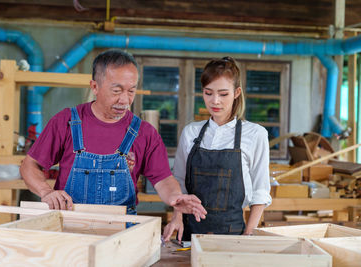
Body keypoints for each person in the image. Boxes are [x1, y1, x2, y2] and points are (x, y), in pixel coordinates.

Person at [20, 49, 207, 223]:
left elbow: (163, 179)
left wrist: (175, 197)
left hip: (121, 233)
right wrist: (46, 192)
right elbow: (30, 165)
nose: (125, 100)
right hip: (71, 228)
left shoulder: (145, 133)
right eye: (116, 91)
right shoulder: (66, 122)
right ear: (95, 86)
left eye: (131, 91)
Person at [163, 56, 271, 241]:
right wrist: (177, 217)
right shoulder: (191, 132)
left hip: (235, 235)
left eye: (223, 94)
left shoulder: (255, 134)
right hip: (190, 234)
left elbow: (260, 190)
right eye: (208, 93)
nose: (215, 101)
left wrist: (249, 233)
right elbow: (179, 181)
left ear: (236, 92)